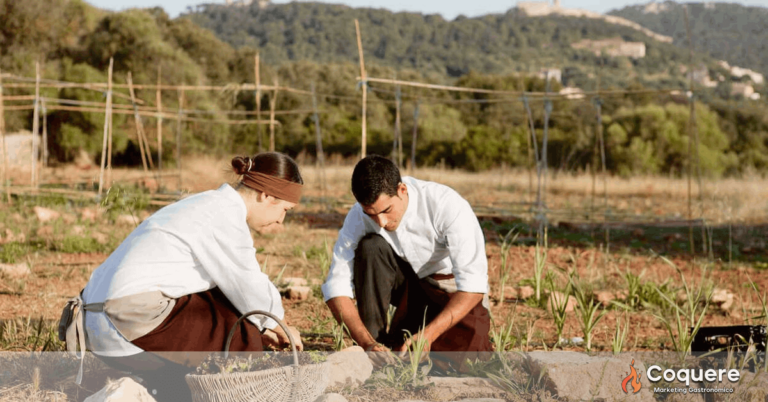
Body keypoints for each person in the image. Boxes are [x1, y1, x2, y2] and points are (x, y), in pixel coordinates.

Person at [59, 152, 304, 401]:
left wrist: (267, 325)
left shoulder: (205, 204)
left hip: (99, 327)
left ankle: (147, 389)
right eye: (285, 209)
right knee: (240, 327)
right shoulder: (223, 215)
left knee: (223, 301)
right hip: (125, 323)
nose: (281, 220)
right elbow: (249, 286)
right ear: (266, 195)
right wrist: (278, 324)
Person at [321, 155, 492, 370]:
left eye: (386, 211)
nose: (381, 222)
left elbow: (473, 286)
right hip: (410, 289)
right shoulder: (358, 215)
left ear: (402, 190)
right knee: (372, 247)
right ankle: (378, 348)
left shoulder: (446, 205)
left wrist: (428, 335)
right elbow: (336, 286)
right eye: (371, 215)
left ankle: (419, 339)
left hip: (451, 291)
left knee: (467, 362)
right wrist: (366, 343)